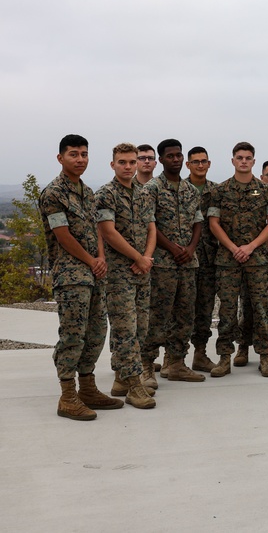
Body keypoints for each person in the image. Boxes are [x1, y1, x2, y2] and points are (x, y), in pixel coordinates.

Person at [40, 134, 120, 420]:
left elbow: (97, 229)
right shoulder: (54, 193)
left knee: (97, 331)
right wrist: (90, 261)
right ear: (60, 158)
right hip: (71, 276)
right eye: (74, 154)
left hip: (94, 273)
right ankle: (67, 395)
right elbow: (63, 236)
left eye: (84, 154)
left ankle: (87, 387)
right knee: (73, 334)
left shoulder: (88, 192)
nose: (80, 159)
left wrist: (100, 258)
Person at [207, 142, 268, 378]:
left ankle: (266, 356)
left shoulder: (266, 191)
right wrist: (232, 247)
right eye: (239, 157)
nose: (244, 161)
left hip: (257, 258)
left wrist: (250, 246)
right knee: (227, 309)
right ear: (232, 161)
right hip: (228, 259)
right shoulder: (219, 191)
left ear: (253, 161)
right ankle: (224, 357)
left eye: (248, 158)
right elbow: (214, 224)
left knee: (261, 308)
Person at [95, 142, 157, 409]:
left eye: (132, 162)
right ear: (113, 164)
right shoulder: (105, 194)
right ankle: (133, 384)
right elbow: (108, 231)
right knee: (125, 329)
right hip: (119, 273)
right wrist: (137, 258)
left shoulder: (144, 194)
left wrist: (147, 259)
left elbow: (152, 228)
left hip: (142, 270)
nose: (129, 166)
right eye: (123, 162)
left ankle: (121, 378)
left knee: (141, 326)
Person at [145, 139, 206, 386]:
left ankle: (176, 363)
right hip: (162, 264)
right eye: (170, 156)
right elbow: (149, 224)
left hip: (187, 263)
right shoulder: (152, 189)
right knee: (157, 316)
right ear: (161, 160)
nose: (176, 159)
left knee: (185, 316)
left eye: (179, 155)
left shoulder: (190, 190)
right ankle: (146, 366)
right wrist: (172, 248)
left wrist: (190, 248)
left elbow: (198, 221)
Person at [236, 159, 268, 364]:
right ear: (262, 176)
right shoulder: (255, 198)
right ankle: (243, 347)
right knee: (247, 306)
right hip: (255, 260)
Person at [185, 147, 220, 375]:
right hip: (183, 257)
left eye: (203, 161)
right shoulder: (177, 189)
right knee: (180, 310)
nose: (200, 165)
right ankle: (173, 358)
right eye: (195, 161)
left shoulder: (216, 191)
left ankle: (200, 354)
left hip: (208, 258)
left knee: (205, 309)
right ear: (188, 165)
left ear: (209, 164)